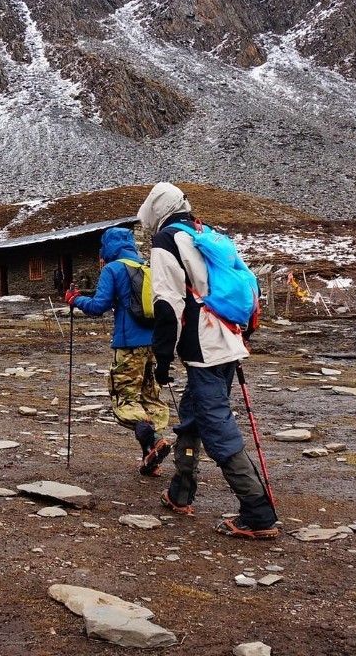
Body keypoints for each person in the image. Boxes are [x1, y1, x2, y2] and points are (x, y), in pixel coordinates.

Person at [138, 182, 278, 540]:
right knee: (194, 416)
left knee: (215, 423)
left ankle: (257, 512)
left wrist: (162, 357)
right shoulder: (205, 233)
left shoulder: (167, 240)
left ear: (155, 212)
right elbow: (246, 287)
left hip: (204, 346)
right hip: (228, 338)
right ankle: (180, 493)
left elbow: (168, 305)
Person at [65, 227, 169, 476]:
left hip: (127, 343)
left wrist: (75, 299)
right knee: (149, 397)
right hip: (152, 344)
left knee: (125, 398)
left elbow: (99, 306)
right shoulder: (148, 268)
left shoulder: (112, 269)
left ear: (108, 247)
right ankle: (151, 457)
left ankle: (154, 441)